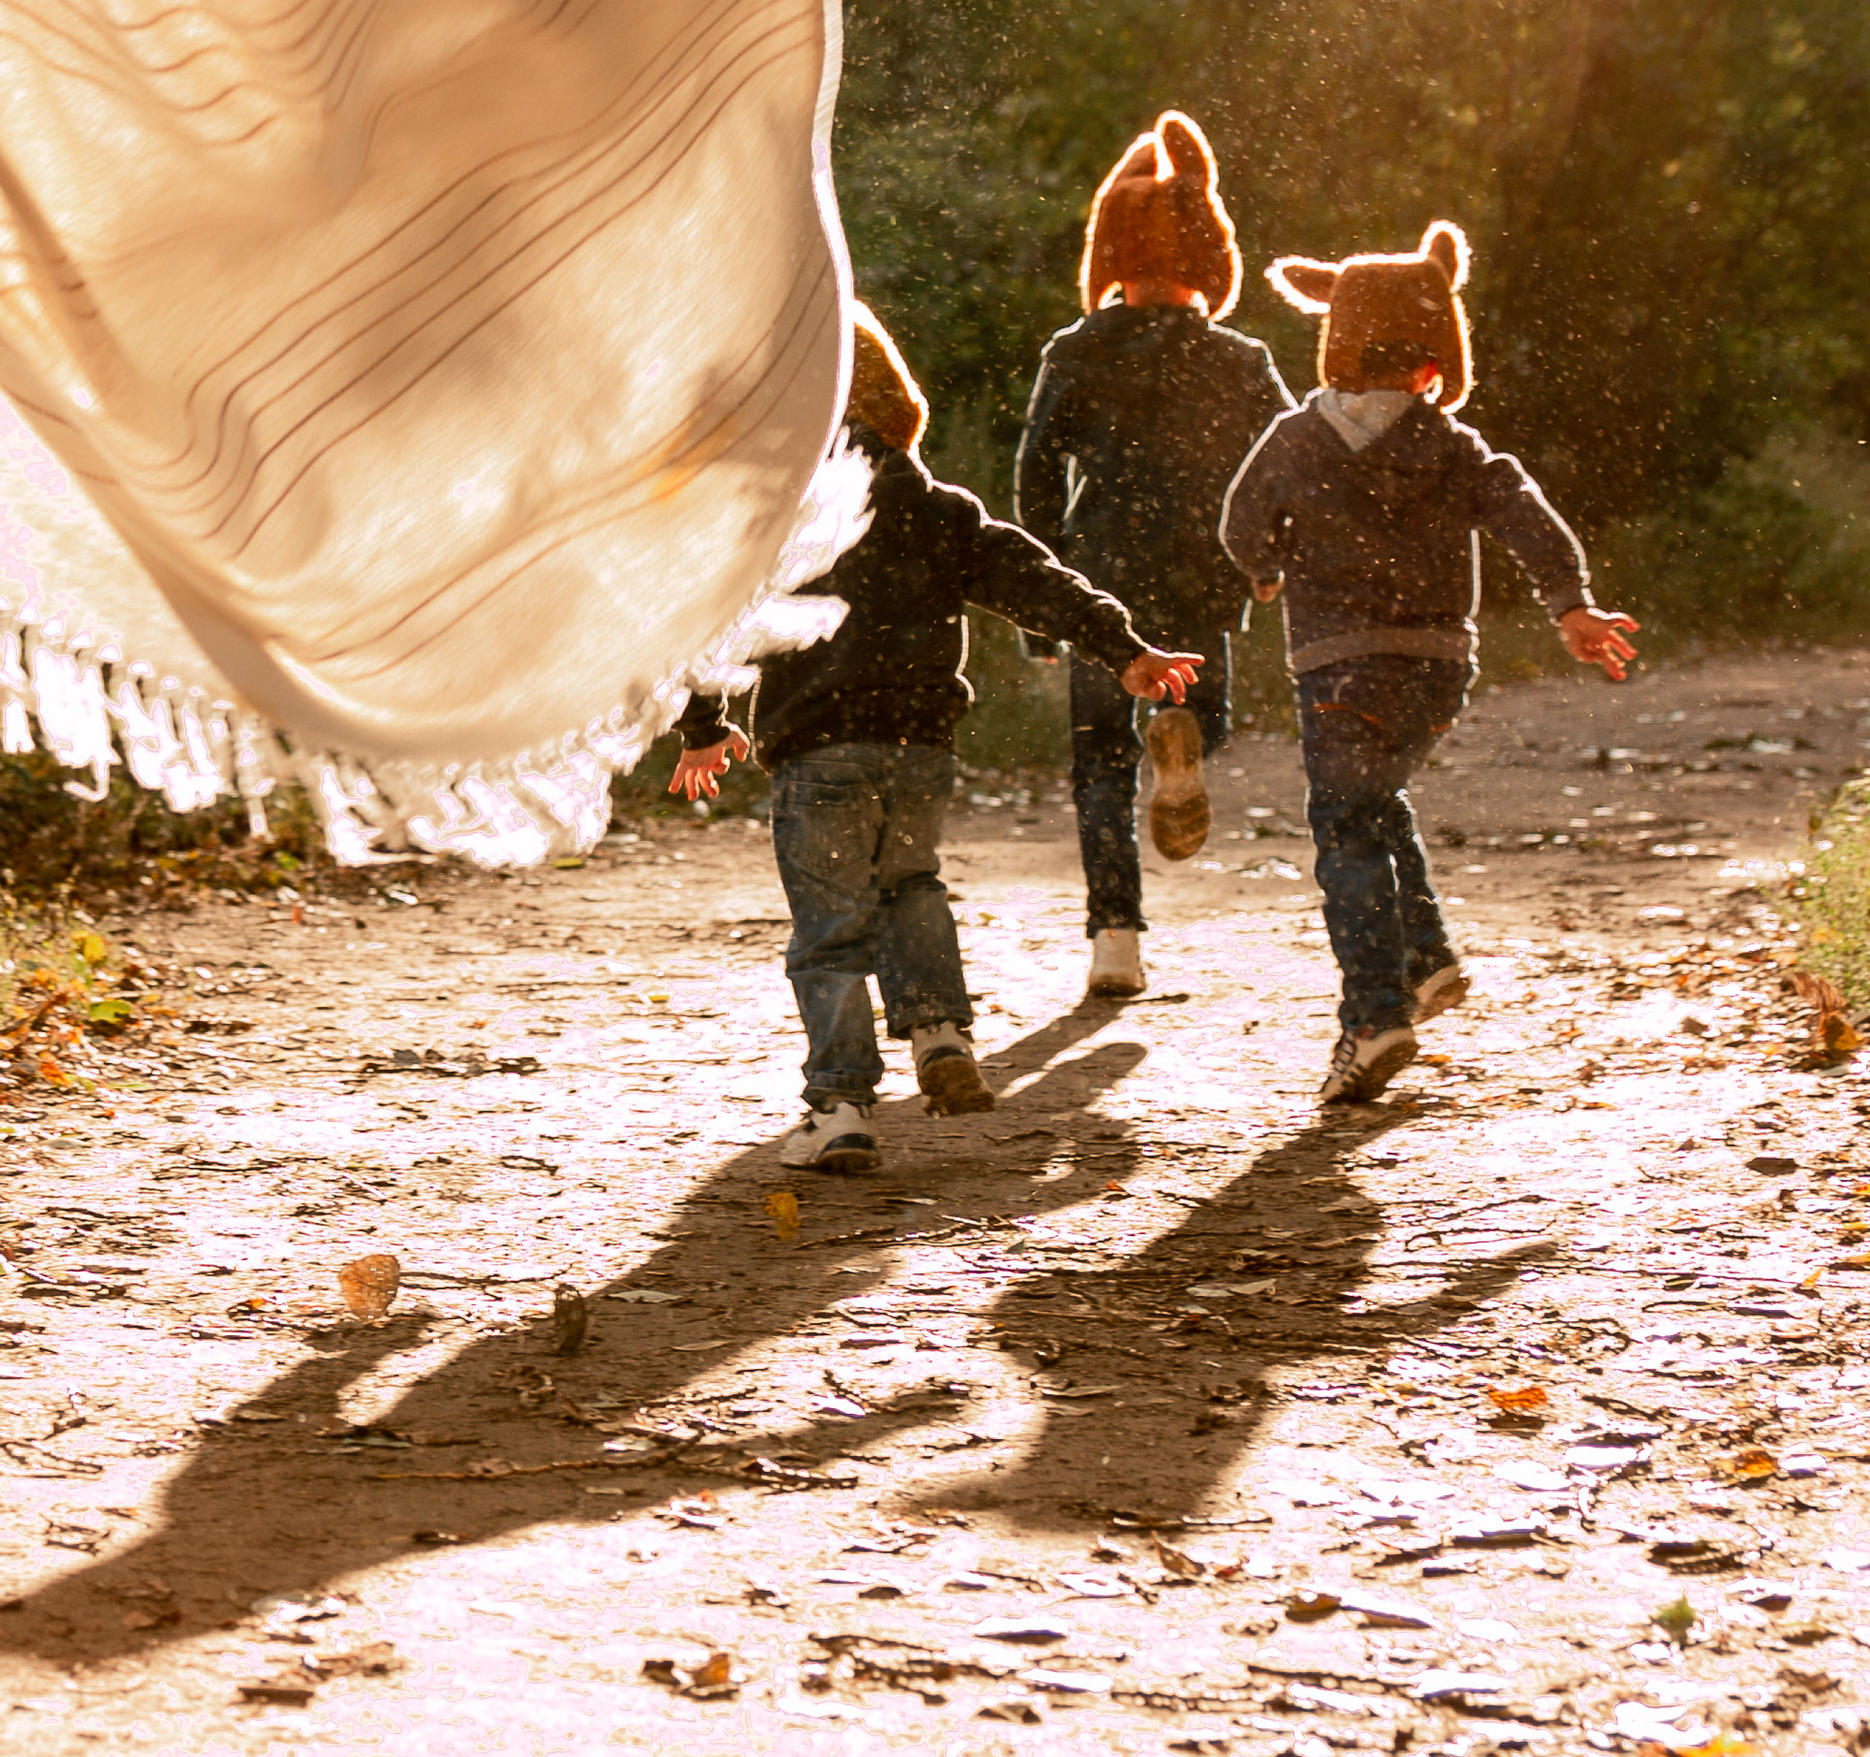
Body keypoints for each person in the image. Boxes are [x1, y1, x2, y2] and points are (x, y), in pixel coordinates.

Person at [670, 307, 1200, 1174]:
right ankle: (942, 1033)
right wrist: (1124, 649)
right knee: (910, 884)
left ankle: (840, 1106)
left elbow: (711, 621)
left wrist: (704, 728)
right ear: (899, 406)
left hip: (820, 749)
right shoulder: (941, 511)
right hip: (920, 748)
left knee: (830, 930)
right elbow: (1034, 577)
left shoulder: (775, 519)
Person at [1218, 221, 1639, 1111]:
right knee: (1373, 801)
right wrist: (1570, 605)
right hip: (1438, 669)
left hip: (1336, 664)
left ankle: (1374, 1020)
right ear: (1435, 358)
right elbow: (1526, 516)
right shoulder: (1456, 448)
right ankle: (1426, 956)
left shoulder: (1296, 439)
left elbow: (1238, 521)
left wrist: (1264, 566)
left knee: (1346, 830)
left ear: (1338, 342)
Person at [1014, 113, 1293, 1000]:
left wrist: (1042, 598)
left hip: (1101, 577)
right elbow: (1283, 457)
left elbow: (1034, 472)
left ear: (1109, 252)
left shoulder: (1076, 351)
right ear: (1212, 257)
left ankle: (1116, 942)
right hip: (1202, 574)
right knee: (1204, 716)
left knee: (1098, 759)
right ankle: (1189, 742)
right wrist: (1268, 554)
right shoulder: (1241, 360)